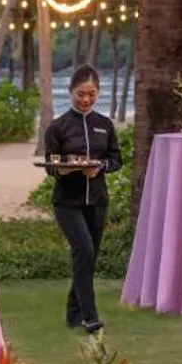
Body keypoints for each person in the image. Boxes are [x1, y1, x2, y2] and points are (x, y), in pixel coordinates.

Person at [42, 65, 122, 333]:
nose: (85, 99)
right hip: (68, 202)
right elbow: (51, 166)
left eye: (91, 94)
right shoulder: (58, 127)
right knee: (84, 251)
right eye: (80, 94)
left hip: (97, 201)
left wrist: (100, 166)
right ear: (70, 91)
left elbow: (115, 160)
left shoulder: (104, 125)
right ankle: (90, 316)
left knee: (87, 257)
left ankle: (73, 313)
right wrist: (66, 167)